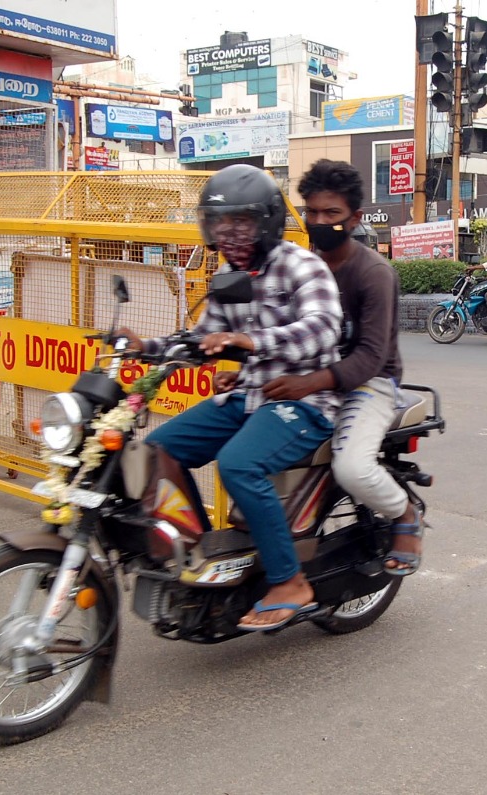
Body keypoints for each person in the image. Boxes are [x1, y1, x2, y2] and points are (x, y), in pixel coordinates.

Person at [137, 164, 344, 633]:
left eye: (241, 222)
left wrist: (252, 342)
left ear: (266, 221)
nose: (228, 233)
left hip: (305, 400)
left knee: (238, 464)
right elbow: (202, 339)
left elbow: (321, 328)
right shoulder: (231, 276)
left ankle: (289, 581)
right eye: (219, 223)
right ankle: (199, 552)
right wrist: (144, 347)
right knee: (157, 449)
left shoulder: (301, 265)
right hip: (251, 395)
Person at [250, 159, 423, 576]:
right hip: (314, 379)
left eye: (332, 214)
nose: (319, 222)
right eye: (311, 212)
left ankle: (403, 516)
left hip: (370, 383)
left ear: (355, 218)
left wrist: (307, 384)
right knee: (243, 439)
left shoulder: (373, 273)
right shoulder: (300, 265)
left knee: (352, 468)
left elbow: (371, 356)